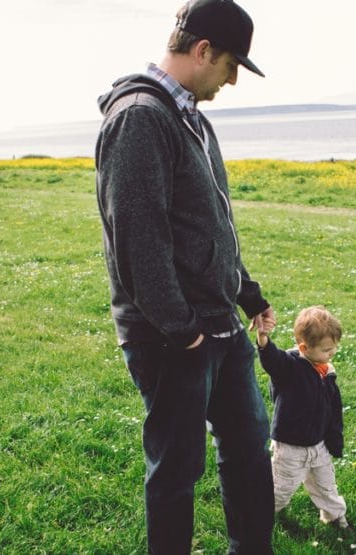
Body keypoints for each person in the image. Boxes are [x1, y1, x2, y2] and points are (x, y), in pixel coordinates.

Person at [94, 1, 275, 553]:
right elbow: (138, 243)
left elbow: (211, 222)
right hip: (173, 337)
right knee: (176, 471)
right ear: (202, 51)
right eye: (231, 65)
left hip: (219, 325)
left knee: (248, 450)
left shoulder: (192, 116)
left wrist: (247, 294)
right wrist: (183, 330)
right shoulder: (139, 117)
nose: (234, 79)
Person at [256, 306, 349, 529]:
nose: (332, 353)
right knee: (280, 489)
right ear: (304, 348)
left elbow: (333, 409)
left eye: (334, 348)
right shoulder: (289, 367)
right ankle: (260, 516)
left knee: (326, 485)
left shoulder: (327, 371)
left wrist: (334, 438)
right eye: (327, 349)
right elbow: (272, 361)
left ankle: (335, 516)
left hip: (318, 445)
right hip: (290, 447)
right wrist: (263, 340)